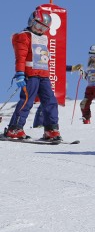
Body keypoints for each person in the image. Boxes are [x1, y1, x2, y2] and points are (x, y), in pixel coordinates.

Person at [3, 8, 63, 141]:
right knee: (27, 101)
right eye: (38, 26)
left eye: (44, 28)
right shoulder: (24, 36)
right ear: (32, 21)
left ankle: (51, 129)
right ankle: (15, 128)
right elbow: (20, 57)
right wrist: (19, 73)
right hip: (30, 75)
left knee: (50, 101)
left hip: (43, 76)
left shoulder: (44, 39)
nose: (40, 30)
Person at [32, 63, 84, 128]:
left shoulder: (51, 60)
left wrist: (72, 68)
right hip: (42, 81)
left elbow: (58, 65)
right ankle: (39, 124)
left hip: (51, 82)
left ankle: (48, 124)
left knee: (51, 103)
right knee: (45, 102)